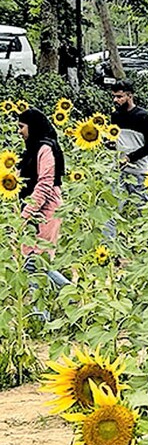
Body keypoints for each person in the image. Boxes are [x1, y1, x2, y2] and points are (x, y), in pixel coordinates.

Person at [16, 108, 70, 317]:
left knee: (35, 262)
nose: (19, 131)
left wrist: (26, 213)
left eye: (22, 127)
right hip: (34, 209)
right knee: (35, 263)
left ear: (33, 126)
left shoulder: (45, 148)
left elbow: (45, 183)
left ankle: (46, 312)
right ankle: (68, 297)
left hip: (45, 210)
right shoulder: (33, 148)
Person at [109, 80, 148, 195]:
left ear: (130, 96)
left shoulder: (143, 116)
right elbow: (114, 139)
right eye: (114, 97)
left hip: (138, 170)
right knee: (116, 205)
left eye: (119, 97)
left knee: (141, 205)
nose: (115, 100)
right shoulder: (115, 116)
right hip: (118, 169)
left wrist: (129, 158)